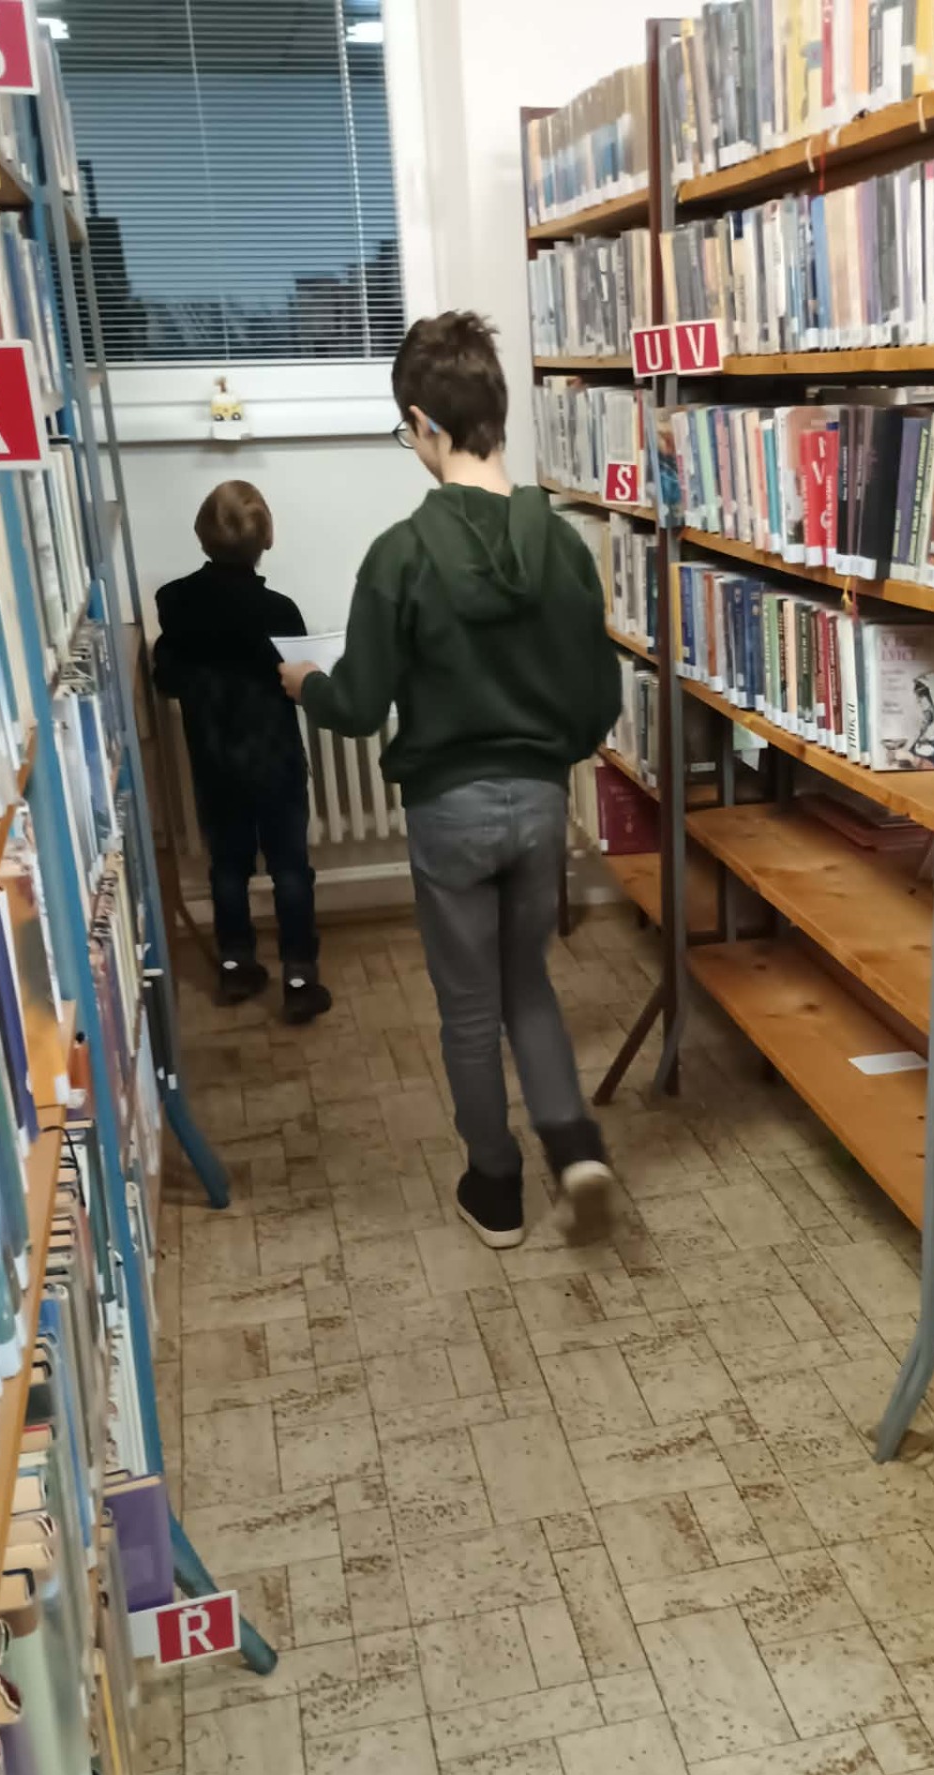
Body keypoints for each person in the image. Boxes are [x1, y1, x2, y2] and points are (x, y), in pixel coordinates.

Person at [279, 312, 622, 1249]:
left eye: (408, 432)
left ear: (425, 424)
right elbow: (599, 699)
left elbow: (359, 705)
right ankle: (576, 1149)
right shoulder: (564, 546)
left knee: (470, 1010)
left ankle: (496, 1191)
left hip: (449, 813)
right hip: (540, 802)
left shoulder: (400, 554)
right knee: (529, 983)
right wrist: (548, 752)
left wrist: (307, 687)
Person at [153, 481, 332, 1025]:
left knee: (227, 867)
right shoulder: (279, 611)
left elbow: (169, 679)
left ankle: (236, 966)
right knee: (290, 869)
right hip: (275, 761)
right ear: (266, 538)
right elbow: (296, 685)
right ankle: (299, 979)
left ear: (202, 535)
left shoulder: (174, 602)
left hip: (214, 763)